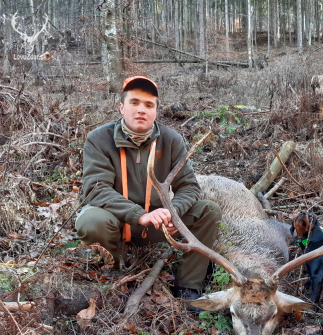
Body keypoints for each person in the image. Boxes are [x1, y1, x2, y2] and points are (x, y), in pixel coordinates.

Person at [76, 76, 221, 300]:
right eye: (134, 103)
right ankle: (114, 269)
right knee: (91, 220)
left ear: (156, 111)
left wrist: (174, 214)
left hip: (156, 225)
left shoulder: (171, 140)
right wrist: (140, 215)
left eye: (148, 105)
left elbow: (190, 187)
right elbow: (96, 189)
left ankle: (188, 286)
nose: (141, 110)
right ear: (122, 107)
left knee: (209, 210)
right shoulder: (98, 139)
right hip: (116, 222)